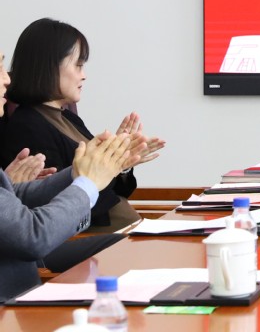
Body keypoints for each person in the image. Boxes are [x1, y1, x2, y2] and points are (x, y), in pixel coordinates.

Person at [1, 18, 164, 232]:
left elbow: (117, 191)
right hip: (94, 238)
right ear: (49, 66)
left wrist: (120, 161)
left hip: (121, 230)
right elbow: (66, 204)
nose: (84, 75)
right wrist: (109, 162)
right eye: (78, 65)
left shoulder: (68, 117)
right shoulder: (28, 127)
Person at [0, 47, 137, 302]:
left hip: (22, 270)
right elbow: (33, 236)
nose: (7, 79)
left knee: (133, 245)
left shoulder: (67, 118)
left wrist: (80, 171)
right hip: (12, 296)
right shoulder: (28, 124)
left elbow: (14, 194)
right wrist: (86, 183)